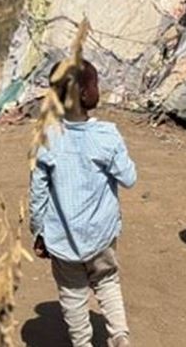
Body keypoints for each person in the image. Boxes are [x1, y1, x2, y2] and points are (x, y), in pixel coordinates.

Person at [29, 60, 136, 347]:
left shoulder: (47, 138)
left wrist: (38, 230)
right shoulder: (107, 135)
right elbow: (129, 178)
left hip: (62, 237)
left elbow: (38, 191)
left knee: (73, 294)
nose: (97, 89)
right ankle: (120, 337)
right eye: (95, 84)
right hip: (101, 233)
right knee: (107, 281)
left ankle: (83, 343)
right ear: (87, 95)